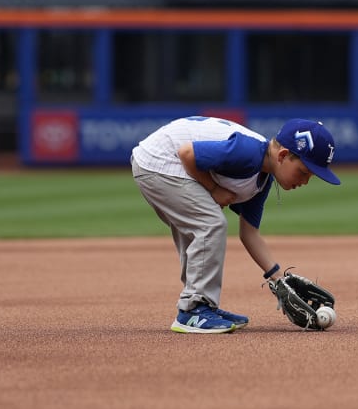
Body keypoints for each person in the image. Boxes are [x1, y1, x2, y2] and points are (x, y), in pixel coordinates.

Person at [131, 116, 341, 334]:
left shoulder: (262, 180)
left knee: (202, 225)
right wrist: (213, 188)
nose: (305, 181)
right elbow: (187, 154)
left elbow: (249, 234)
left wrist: (278, 279)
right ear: (283, 155)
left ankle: (202, 306)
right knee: (210, 223)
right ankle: (193, 310)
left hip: (167, 162)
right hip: (160, 161)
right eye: (304, 172)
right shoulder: (248, 152)